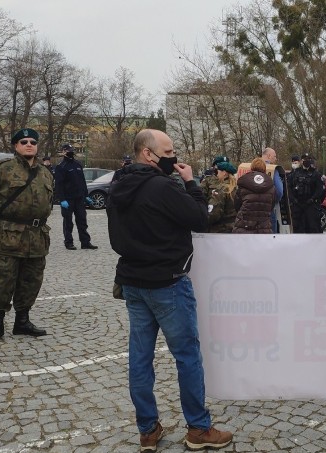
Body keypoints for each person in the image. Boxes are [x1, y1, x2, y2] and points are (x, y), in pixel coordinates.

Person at [106, 129, 233, 451]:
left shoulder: (118, 185)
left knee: (140, 357)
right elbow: (198, 219)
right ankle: (198, 429)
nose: (174, 157)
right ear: (148, 154)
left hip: (133, 281)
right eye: (169, 151)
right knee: (187, 356)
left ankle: (148, 430)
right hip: (167, 283)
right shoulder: (162, 186)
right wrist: (190, 183)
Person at [0, 128, 54, 345]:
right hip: (7, 236)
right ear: (15, 146)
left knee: (31, 281)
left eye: (32, 142)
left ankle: (22, 321)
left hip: (37, 236)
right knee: (3, 282)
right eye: (23, 142)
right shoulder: (3, 169)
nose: (29, 145)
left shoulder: (45, 173)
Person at [54, 143, 97, 250]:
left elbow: (82, 182)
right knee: (68, 222)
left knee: (82, 221)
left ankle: (85, 242)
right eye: (68, 150)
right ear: (63, 151)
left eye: (72, 150)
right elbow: (59, 185)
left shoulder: (78, 164)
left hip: (79, 198)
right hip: (68, 199)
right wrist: (62, 199)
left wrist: (86, 196)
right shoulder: (61, 166)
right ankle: (68, 242)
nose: (71, 152)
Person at [233, 158, 275, 233]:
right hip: (263, 227)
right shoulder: (271, 186)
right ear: (264, 169)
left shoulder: (243, 183)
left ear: (251, 168)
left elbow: (237, 204)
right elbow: (272, 206)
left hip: (244, 226)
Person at [287, 154, 326, 233]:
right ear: (301, 161)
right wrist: (294, 200)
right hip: (298, 206)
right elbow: (289, 188)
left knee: (313, 228)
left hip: (311, 206)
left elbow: (320, 191)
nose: (306, 161)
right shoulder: (295, 173)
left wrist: (312, 199)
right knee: (298, 229)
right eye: (304, 159)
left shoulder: (316, 174)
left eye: (308, 159)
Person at [205, 161, 237, 233]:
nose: (217, 175)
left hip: (220, 230)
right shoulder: (237, 188)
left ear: (224, 173)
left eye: (218, 172)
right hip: (234, 229)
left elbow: (213, 214)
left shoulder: (221, 189)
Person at [262, 147, 285, 233]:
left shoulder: (251, 167)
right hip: (268, 209)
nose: (276, 159)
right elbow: (279, 191)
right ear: (269, 156)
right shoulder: (272, 169)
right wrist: (274, 201)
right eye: (274, 156)